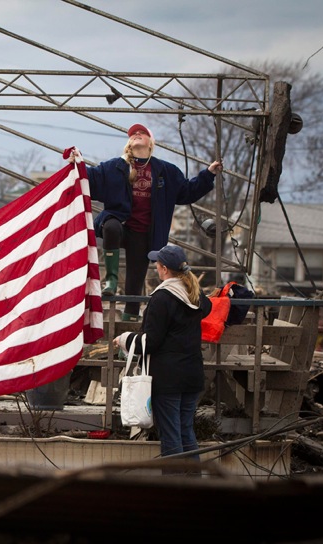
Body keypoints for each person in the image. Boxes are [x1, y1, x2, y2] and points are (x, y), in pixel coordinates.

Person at [66, 123, 222, 321]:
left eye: (142, 133)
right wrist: (76, 163)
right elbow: (90, 179)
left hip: (143, 234)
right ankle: (111, 280)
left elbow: (187, 192)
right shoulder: (115, 167)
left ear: (150, 143)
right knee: (111, 226)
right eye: (133, 134)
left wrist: (208, 174)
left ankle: (127, 328)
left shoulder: (165, 170)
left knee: (134, 284)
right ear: (129, 144)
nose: (136, 135)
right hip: (121, 226)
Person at [113, 245, 212, 463]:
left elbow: (151, 342)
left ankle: (174, 487)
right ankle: (195, 484)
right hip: (192, 374)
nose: (156, 267)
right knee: (186, 431)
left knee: (171, 436)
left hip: (168, 379)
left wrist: (124, 340)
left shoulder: (162, 299)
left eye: (157, 264)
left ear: (164, 269)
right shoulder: (196, 296)